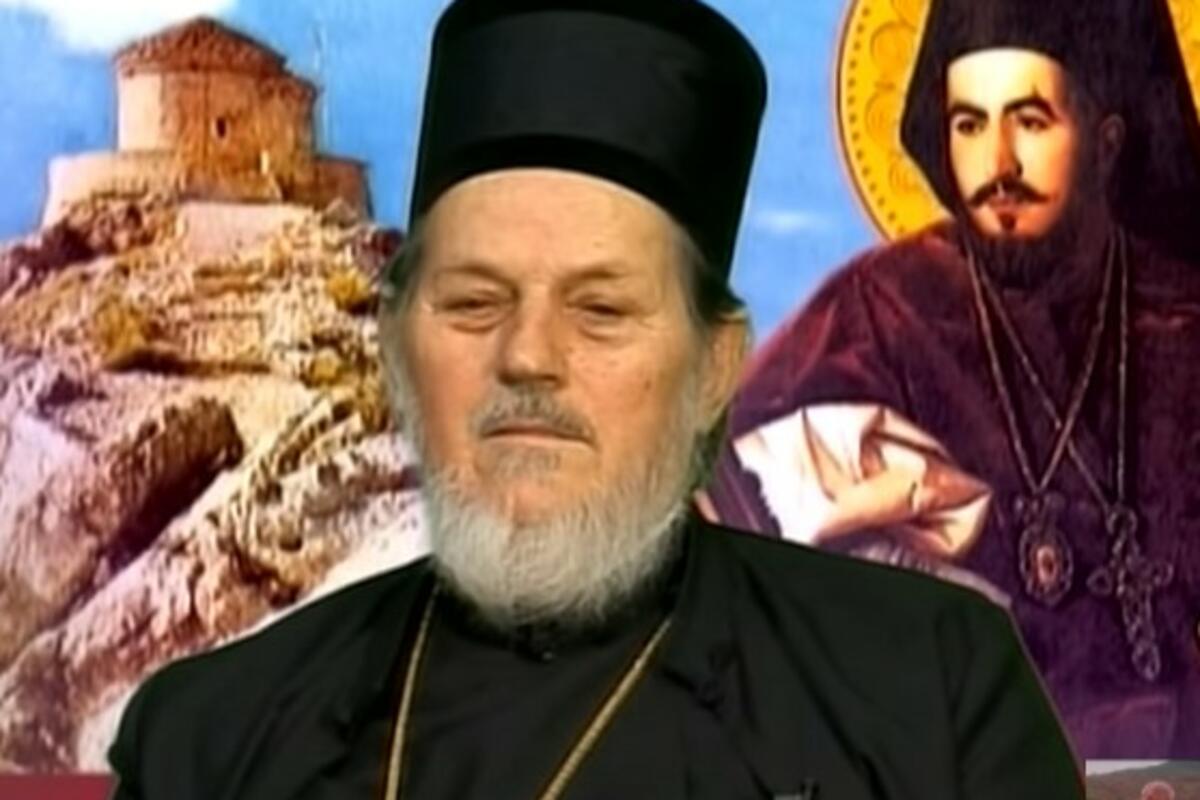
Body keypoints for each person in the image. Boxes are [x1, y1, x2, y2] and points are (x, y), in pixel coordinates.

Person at [106, 1, 1082, 797]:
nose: (528, 356)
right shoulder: (210, 742)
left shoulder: (932, 693)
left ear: (712, 368)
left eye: (602, 309)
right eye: (475, 302)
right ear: (399, 345)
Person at [704, 0, 1200, 759]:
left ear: (1106, 142)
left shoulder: (1184, 316)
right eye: (969, 124)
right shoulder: (878, 312)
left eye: (1030, 121)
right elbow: (732, 512)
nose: (997, 165)